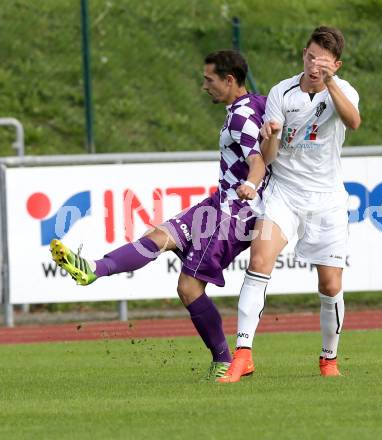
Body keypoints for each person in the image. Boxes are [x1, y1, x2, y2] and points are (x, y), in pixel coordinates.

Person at [50, 50, 269, 381]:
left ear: (229, 80)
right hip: (219, 203)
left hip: (233, 214)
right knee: (158, 237)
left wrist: (251, 186)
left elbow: (258, 161)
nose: (203, 86)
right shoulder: (257, 104)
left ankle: (225, 358)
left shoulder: (240, 117)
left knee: (188, 287)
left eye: (208, 79)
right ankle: (93, 269)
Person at [218, 26, 361, 383]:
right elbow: (269, 156)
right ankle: (243, 355)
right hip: (284, 193)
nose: (314, 66)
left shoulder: (343, 92)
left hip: (326, 199)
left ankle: (329, 359)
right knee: (259, 260)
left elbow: (354, 122)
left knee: (330, 286)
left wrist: (330, 84)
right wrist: (273, 136)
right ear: (303, 54)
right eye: (311, 57)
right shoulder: (281, 92)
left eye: (324, 63)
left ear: (336, 66)